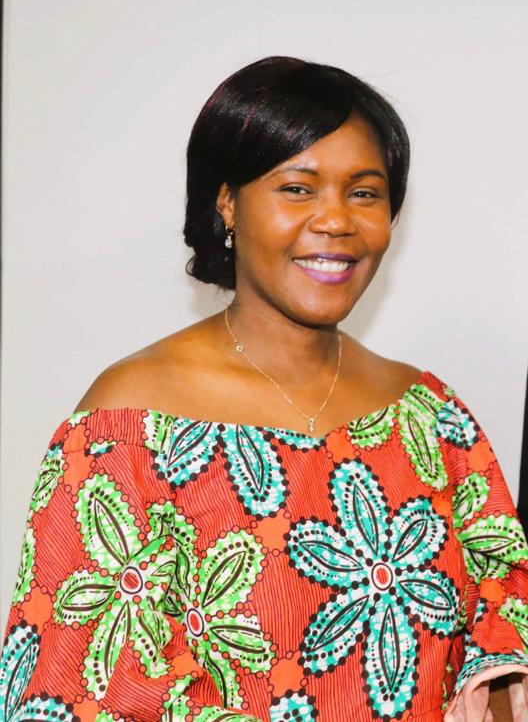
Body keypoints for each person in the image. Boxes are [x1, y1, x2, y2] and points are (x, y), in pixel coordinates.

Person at [1, 56, 527, 722]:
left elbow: (503, 629)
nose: (336, 220)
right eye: (298, 188)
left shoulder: (433, 419)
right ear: (227, 201)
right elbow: (76, 685)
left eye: (365, 193)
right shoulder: (129, 422)